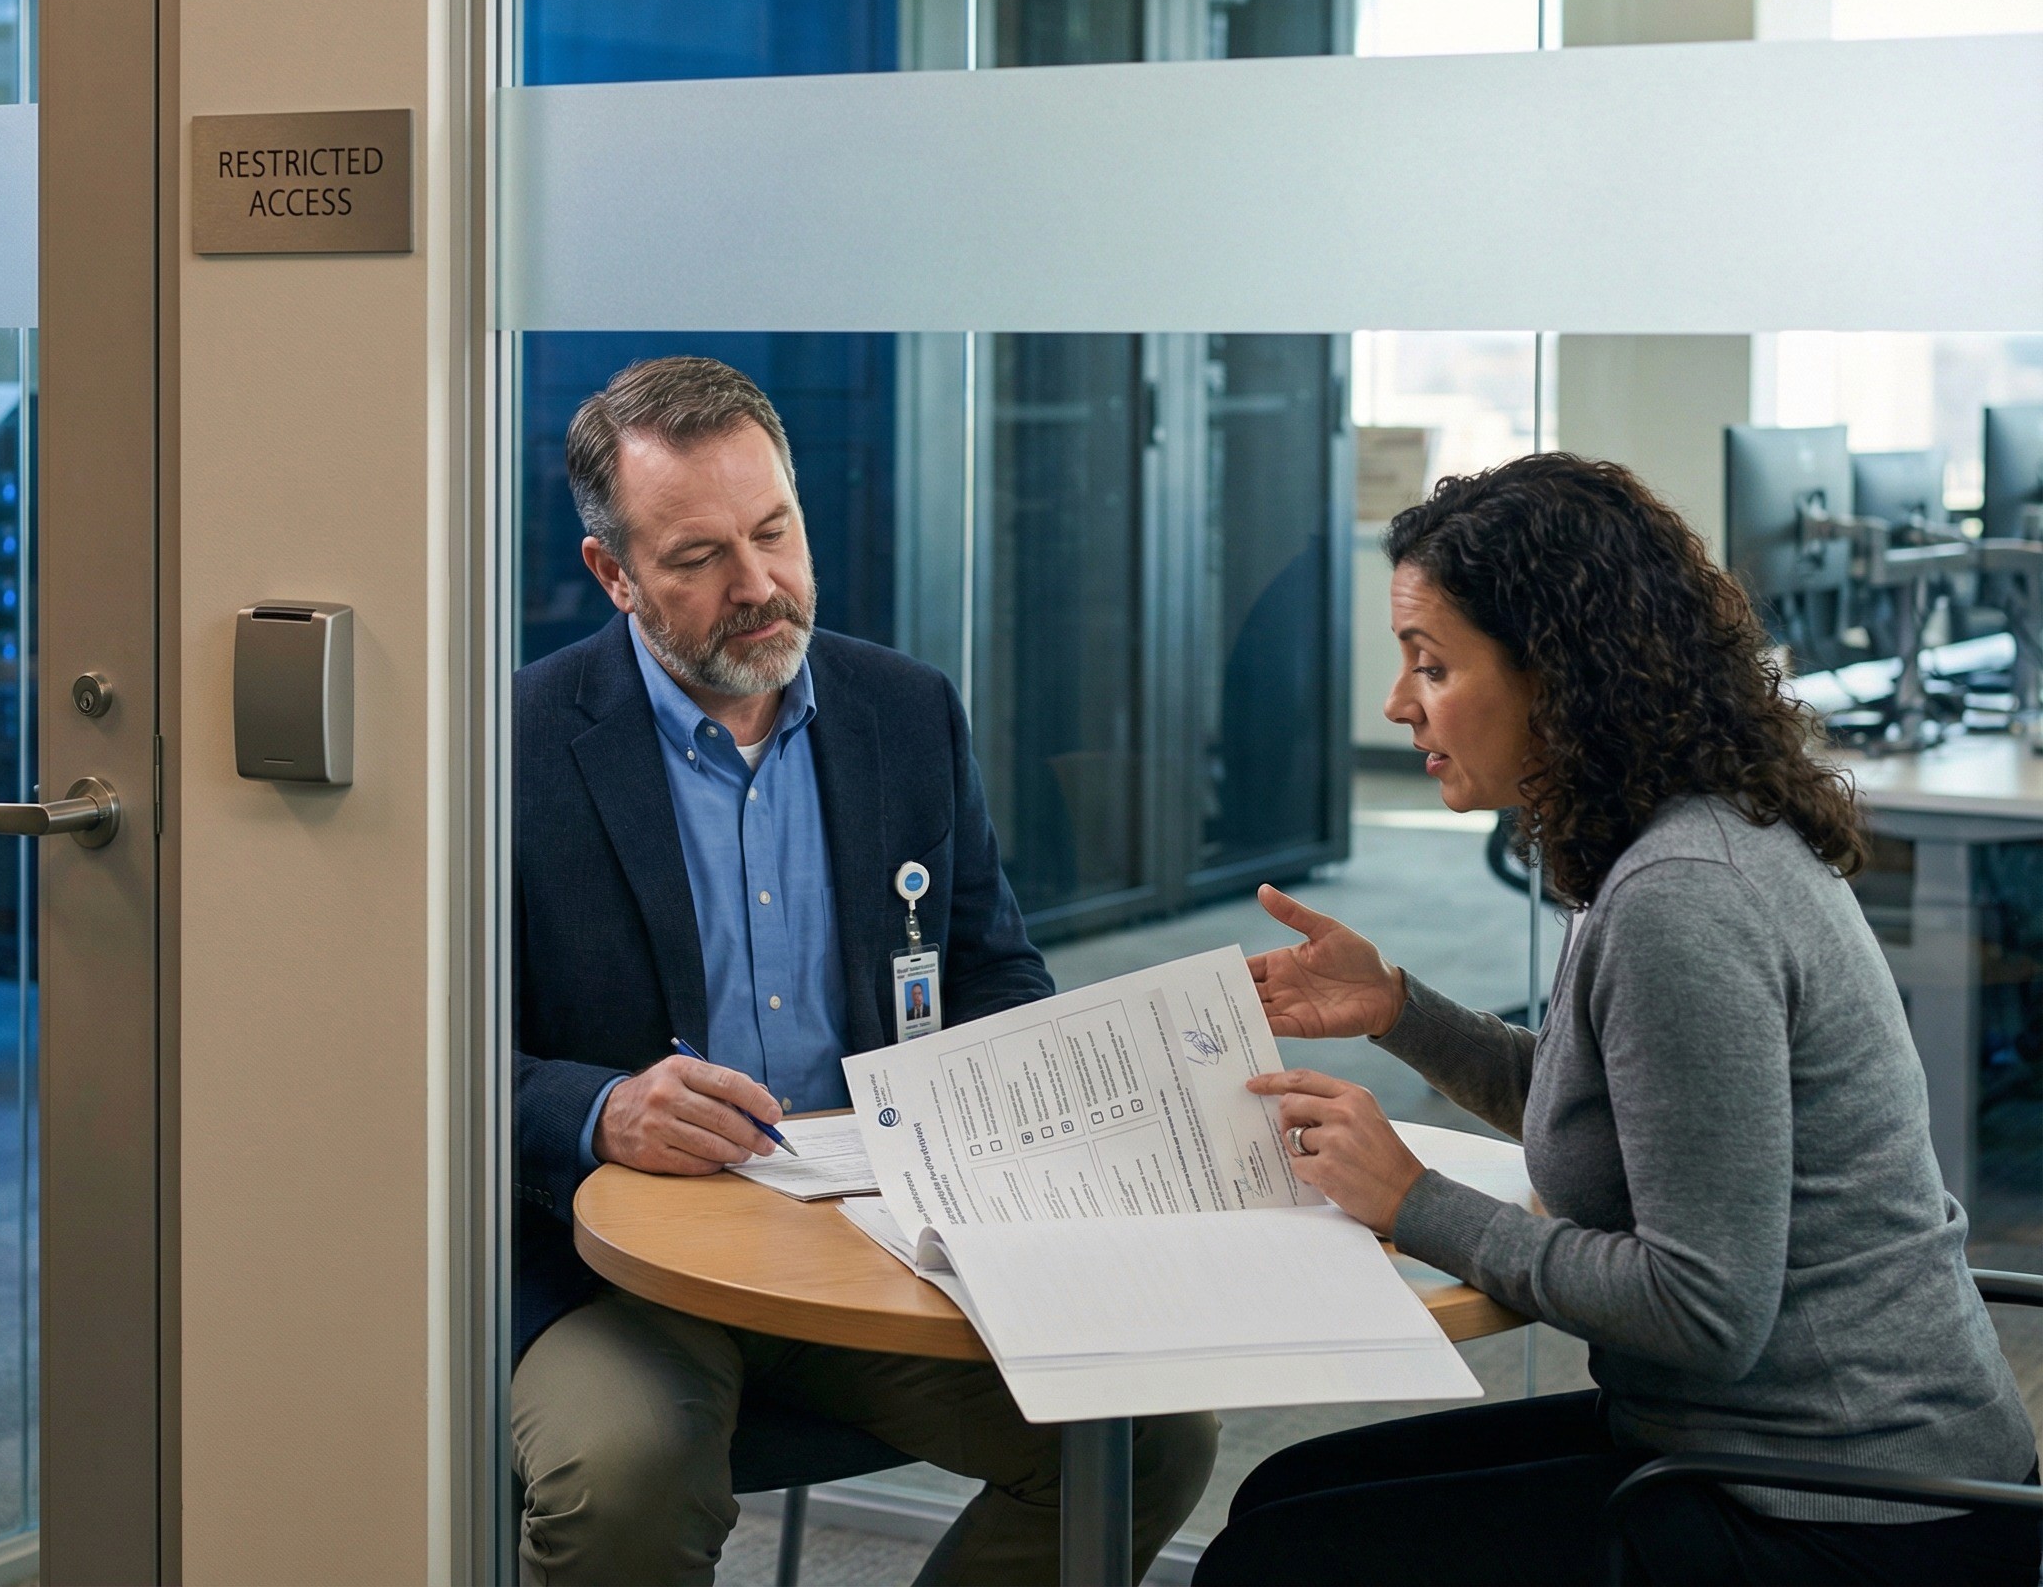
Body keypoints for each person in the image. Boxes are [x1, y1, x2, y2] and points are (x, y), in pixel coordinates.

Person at [1196, 454, 2041, 1587]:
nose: (1400, 704)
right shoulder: (1680, 839)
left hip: (1851, 1509)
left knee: (1274, 1557)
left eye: (1433, 666)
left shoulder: (1683, 897)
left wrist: (1413, 1201)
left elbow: (1700, 1309)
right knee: (1279, 1494)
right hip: (1753, 1448)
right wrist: (1398, 1009)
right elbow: (1631, 1113)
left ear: (1556, 673)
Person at [511, 357, 1215, 1586]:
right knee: (623, 1476)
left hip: (872, 1230)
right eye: (696, 558)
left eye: (774, 531)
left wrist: (1022, 1087)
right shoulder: (511, 743)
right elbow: (412, 1048)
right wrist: (599, 1105)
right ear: (613, 574)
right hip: (607, 1256)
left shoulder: (905, 710)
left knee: (1149, 1431)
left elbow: (993, 967)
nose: (759, 586)